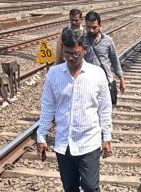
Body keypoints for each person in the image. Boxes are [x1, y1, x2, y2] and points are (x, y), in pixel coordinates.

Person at [36, 28, 112, 192]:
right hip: (64, 143)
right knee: (69, 187)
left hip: (89, 142)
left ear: (84, 50)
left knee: (90, 187)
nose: (70, 57)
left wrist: (107, 137)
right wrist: (41, 136)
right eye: (67, 53)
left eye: (75, 53)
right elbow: (48, 106)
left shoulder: (97, 74)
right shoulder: (54, 74)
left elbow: (105, 109)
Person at [84, 11, 126, 93]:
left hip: (105, 82)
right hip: (86, 82)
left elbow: (114, 59)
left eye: (94, 27)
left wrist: (121, 78)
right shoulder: (81, 40)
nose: (91, 30)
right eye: (88, 27)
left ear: (100, 26)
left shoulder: (107, 41)